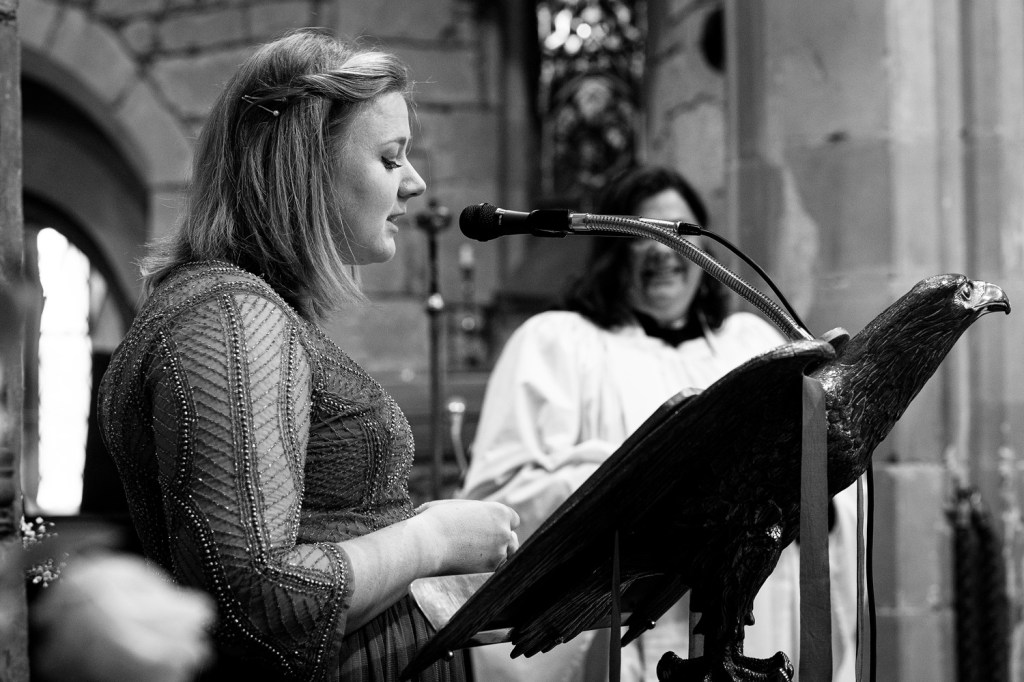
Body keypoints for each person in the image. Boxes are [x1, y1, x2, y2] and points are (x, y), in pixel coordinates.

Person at [97, 28, 520, 682]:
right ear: (306, 165)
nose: (415, 183)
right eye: (391, 158)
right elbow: (257, 594)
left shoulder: (239, 308)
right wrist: (433, 540)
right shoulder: (229, 315)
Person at [459, 165, 859, 681]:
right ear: (611, 252)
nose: (663, 251)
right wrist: (628, 485)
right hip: (620, 633)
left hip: (758, 623)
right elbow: (499, 504)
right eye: (642, 235)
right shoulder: (554, 343)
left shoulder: (754, 342)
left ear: (705, 253)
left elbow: (824, 484)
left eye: (678, 234)